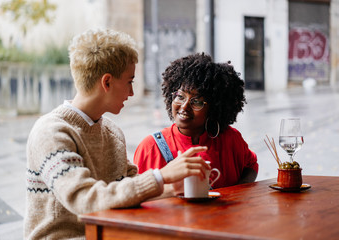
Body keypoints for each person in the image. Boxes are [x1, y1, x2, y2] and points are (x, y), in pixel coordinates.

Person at [24, 29, 210, 240]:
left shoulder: (112, 131)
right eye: (130, 81)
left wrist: (175, 187)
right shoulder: (51, 132)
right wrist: (162, 175)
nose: (132, 93)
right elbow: (84, 200)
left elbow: (129, 190)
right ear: (107, 82)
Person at [134, 53, 258, 189]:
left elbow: (251, 165)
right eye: (180, 96)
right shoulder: (150, 148)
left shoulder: (230, 139)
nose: (184, 106)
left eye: (197, 102)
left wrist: (237, 193)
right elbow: (136, 195)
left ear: (214, 108)